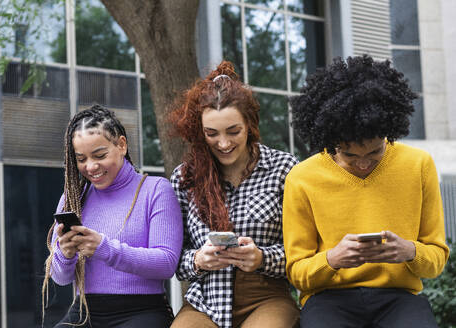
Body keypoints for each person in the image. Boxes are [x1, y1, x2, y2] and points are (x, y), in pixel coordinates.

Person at [283, 54, 450, 328]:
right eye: (349, 155)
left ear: (389, 133)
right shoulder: (302, 178)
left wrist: (408, 251)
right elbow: (296, 273)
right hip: (328, 300)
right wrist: (332, 259)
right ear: (330, 140)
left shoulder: (419, 164)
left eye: (375, 152)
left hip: (400, 297)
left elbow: (436, 260)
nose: (362, 163)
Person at [168, 61, 300, 328]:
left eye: (233, 131)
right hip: (204, 301)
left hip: (266, 297)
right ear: (200, 132)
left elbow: (303, 251)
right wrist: (198, 259)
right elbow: (172, 258)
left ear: (249, 125)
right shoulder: (185, 178)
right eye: (212, 134)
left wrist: (262, 257)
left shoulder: (285, 169)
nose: (224, 143)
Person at [41, 104, 183, 328]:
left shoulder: (156, 190)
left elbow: (166, 263)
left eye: (100, 155)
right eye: (81, 159)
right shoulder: (74, 197)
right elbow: (60, 277)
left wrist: (104, 248)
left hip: (141, 311)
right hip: (85, 312)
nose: (91, 166)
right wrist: (65, 253)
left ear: (122, 145)